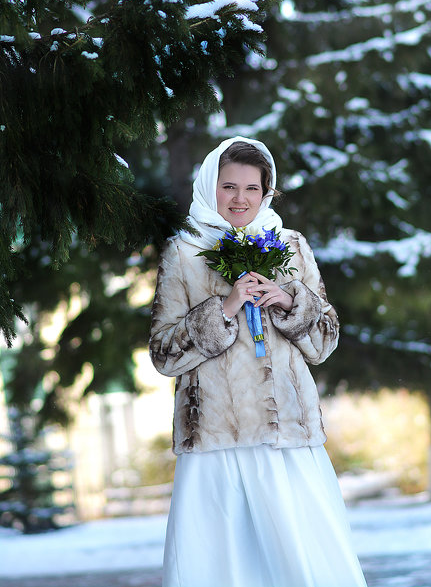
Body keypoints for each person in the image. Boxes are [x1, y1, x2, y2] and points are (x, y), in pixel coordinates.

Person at [149, 135, 368, 587]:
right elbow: (164, 355)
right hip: (215, 443)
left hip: (289, 438)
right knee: (219, 568)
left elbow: (324, 342)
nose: (240, 199)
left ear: (267, 190)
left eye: (252, 188)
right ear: (210, 186)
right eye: (229, 187)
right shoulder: (183, 252)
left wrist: (290, 301)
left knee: (303, 563)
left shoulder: (291, 246)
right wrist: (224, 309)